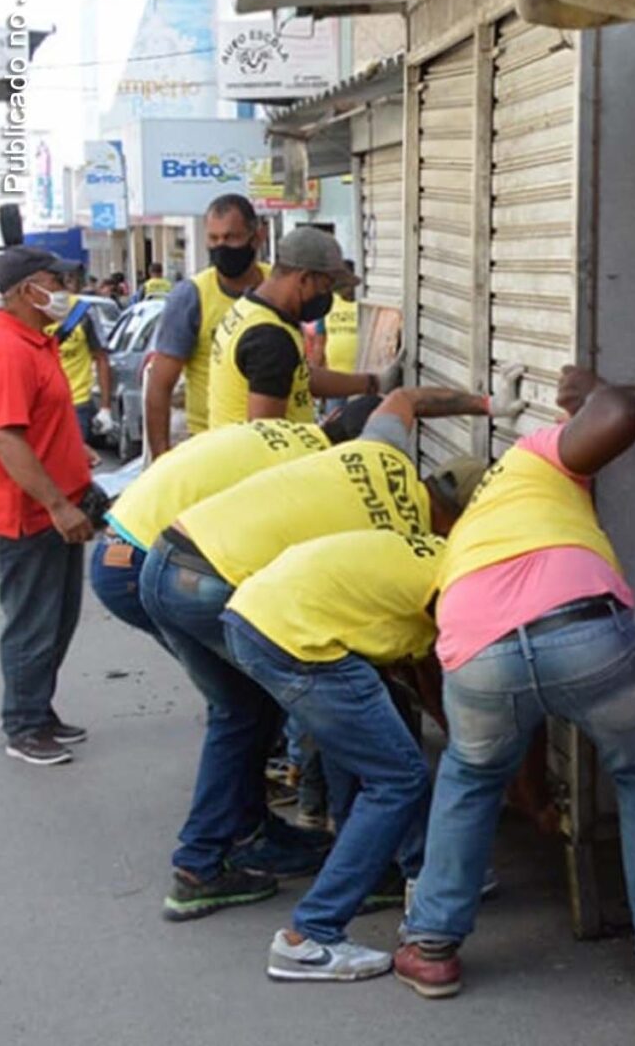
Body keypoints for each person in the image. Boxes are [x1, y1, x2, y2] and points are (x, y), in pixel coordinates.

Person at [396, 364, 635, 1003]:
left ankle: (431, 947)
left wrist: (535, 797)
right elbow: (621, 417)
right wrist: (592, 394)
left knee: (470, 774)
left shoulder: (456, 546)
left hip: (479, 648)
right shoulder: (526, 463)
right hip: (587, 633)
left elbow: (505, 692)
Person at [137, 386, 493, 921]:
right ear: (456, 520)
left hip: (165, 559)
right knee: (362, 709)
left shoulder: (383, 451)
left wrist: (485, 404)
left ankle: (201, 867)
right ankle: (388, 868)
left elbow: (403, 398)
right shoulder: (405, 541)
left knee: (244, 715)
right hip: (219, 583)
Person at [223, 529, 446, 981]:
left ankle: (414, 875)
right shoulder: (459, 586)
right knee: (399, 779)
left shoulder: (437, 551)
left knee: (377, 752)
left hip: (254, 615)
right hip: (298, 638)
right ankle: (312, 934)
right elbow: (438, 675)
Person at [90, 400, 384, 654]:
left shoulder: (284, 431)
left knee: (239, 689)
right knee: (263, 674)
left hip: (116, 547)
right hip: (145, 562)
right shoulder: (311, 473)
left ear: (332, 417)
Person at [0, 246, 99, 766]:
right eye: (54, 279)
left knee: (57, 621)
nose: (63, 289)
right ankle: (23, 726)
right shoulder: (8, 351)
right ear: (28, 289)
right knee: (32, 627)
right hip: (27, 519)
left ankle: (39, 713)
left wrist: (74, 449)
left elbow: (38, 424)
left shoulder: (35, 342)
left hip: (54, 511)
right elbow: (7, 440)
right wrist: (57, 505)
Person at [206, 227, 384, 429]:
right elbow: (267, 437)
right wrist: (327, 434)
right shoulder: (270, 338)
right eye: (325, 287)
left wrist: (371, 383)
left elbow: (300, 376)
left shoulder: (247, 310)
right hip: (262, 460)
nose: (327, 297)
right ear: (305, 278)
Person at [146, 195, 268, 456]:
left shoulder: (276, 285)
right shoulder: (191, 296)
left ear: (257, 237)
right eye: (213, 239)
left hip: (272, 442)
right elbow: (160, 385)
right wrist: (160, 457)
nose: (221, 247)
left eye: (231, 237)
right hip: (212, 446)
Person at [49, 270, 112, 446]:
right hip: (44, 404)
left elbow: (101, 358)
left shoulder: (83, 312)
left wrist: (105, 408)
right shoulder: (34, 311)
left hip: (77, 402)